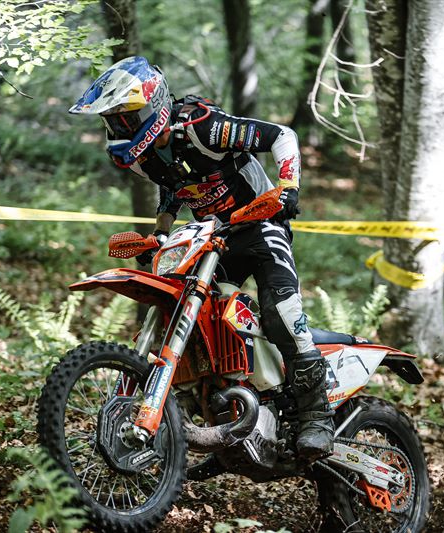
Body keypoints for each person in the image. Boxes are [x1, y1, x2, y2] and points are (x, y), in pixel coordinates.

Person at [69, 56, 333, 462]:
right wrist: (161, 231)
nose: (119, 128)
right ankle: (220, 411)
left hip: (261, 224)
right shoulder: (144, 158)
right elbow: (174, 186)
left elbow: (281, 134)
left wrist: (287, 187)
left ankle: (317, 416)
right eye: (113, 122)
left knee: (281, 310)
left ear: (154, 105)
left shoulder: (202, 128)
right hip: (214, 238)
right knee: (184, 310)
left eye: (126, 118)